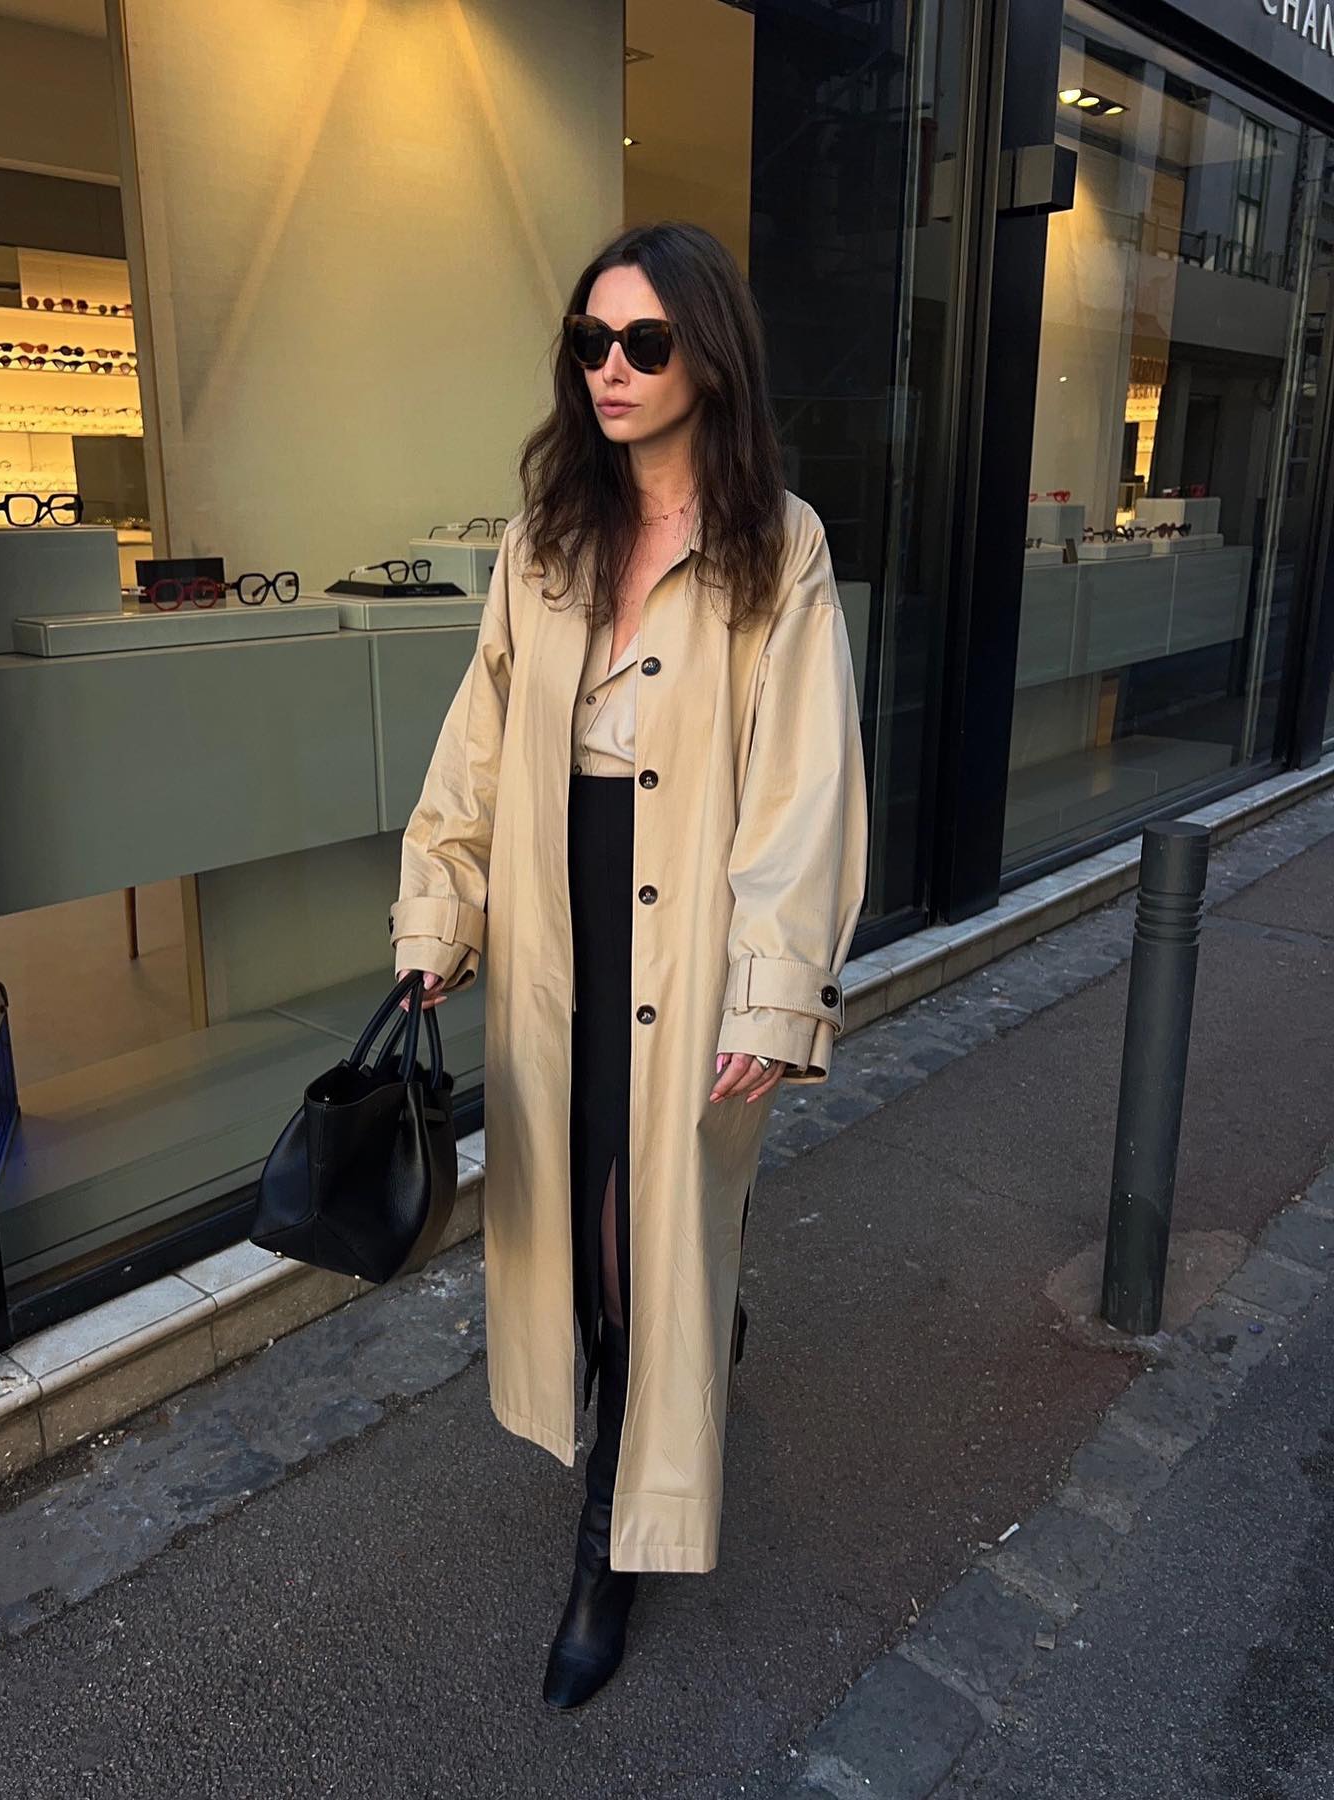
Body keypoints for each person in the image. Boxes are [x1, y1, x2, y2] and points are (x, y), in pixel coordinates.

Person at [391, 220, 868, 1708]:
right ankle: (687, 1344)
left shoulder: (777, 543)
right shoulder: (543, 542)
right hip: (561, 912)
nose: (611, 367)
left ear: (708, 357)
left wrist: (773, 990)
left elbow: (801, 785)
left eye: (644, 342)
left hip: (696, 922)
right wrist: (440, 915)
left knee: (640, 1216)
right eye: (591, 341)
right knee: (583, 1200)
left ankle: (610, 1542)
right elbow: (476, 745)